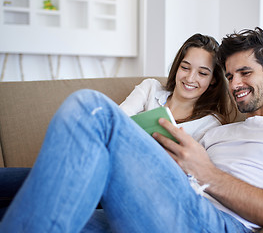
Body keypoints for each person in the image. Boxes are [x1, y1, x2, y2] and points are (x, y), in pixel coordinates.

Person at [0, 27, 263, 233]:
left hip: (212, 223)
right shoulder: (221, 132)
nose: (235, 83)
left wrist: (206, 173)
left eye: (245, 72)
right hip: (163, 201)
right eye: (228, 75)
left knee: (92, 109)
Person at [0, 33, 237, 220]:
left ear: (213, 80)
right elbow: (114, 120)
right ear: (177, 66)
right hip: (101, 167)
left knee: (42, 193)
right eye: (185, 67)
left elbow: (192, 176)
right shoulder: (151, 89)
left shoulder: (210, 124)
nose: (190, 78)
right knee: (18, 186)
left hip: (135, 189)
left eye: (202, 73)